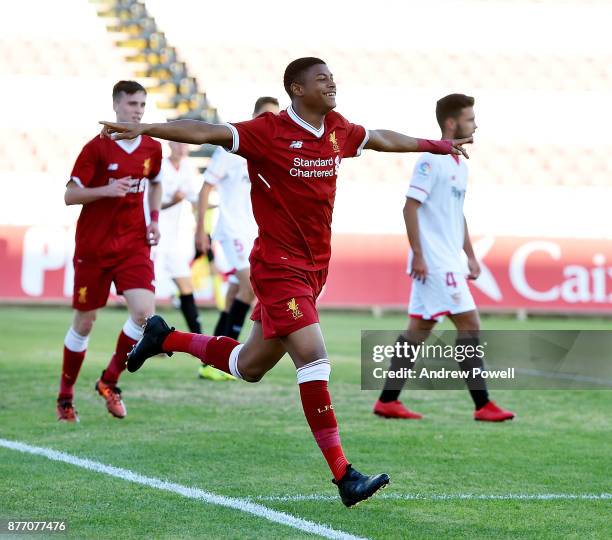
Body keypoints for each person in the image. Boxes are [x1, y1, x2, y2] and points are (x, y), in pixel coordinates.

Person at [100, 57, 471, 507]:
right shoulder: (267, 131)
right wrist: (149, 128)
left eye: (333, 76)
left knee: (248, 366)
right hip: (278, 267)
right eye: (322, 78)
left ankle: (166, 337)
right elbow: (205, 131)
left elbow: (381, 140)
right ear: (297, 88)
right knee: (315, 359)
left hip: (315, 268)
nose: (332, 83)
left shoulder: (337, 127)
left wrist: (437, 145)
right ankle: (344, 476)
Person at [372, 94, 515, 423]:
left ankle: (387, 400)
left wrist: (471, 256)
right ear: (451, 123)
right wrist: (419, 255)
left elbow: (457, 214)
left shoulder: (459, 164)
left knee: (417, 331)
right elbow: (410, 206)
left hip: (448, 260)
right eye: (470, 118)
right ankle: (483, 405)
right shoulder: (430, 160)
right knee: (469, 324)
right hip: (435, 263)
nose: (475, 123)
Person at [57, 80, 162, 422]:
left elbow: (156, 182)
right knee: (85, 322)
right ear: (116, 105)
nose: (138, 110)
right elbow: (71, 196)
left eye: (142, 104)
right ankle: (65, 396)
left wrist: (155, 219)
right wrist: (107, 189)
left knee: (145, 313)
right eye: (132, 104)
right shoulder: (96, 148)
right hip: (94, 247)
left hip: (133, 245)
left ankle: (109, 381)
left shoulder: (151, 148)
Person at [196, 96, 280, 380]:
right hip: (232, 230)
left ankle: (210, 361)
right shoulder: (231, 150)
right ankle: (229, 361)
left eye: (275, 117)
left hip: (254, 233)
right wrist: (200, 230)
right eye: (265, 116)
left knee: (234, 297)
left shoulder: (270, 152)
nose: (270, 122)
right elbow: (206, 188)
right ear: (254, 116)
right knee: (251, 290)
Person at [155, 141, 203, 335]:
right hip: (154, 239)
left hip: (174, 242)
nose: (183, 147)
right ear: (170, 144)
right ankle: (145, 340)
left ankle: (198, 337)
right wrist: (173, 201)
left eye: (186, 144)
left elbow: (195, 200)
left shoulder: (187, 169)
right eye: (179, 143)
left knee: (186, 286)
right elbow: (153, 204)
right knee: (148, 291)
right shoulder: (160, 168)